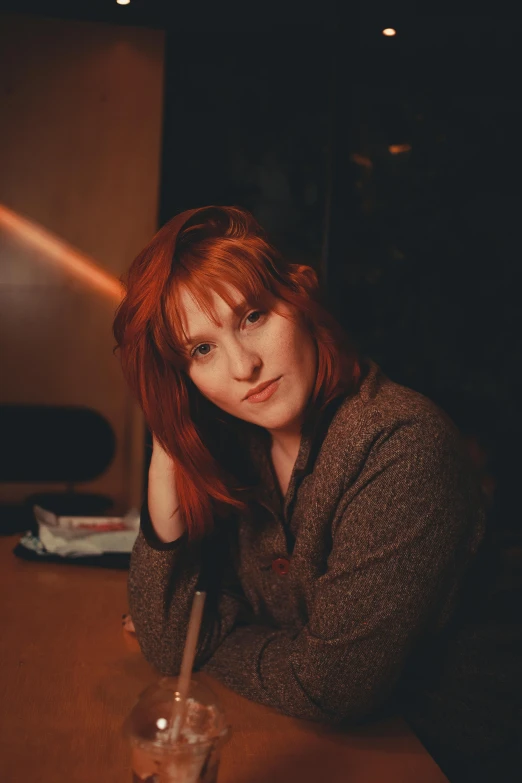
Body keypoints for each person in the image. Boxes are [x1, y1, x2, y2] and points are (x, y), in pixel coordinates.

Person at [113, 206, 520, 782]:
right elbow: (164, 640)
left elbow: (330, 687)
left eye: (252, 316)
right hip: (334, 743)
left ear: (299, 297)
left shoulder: (400, 444)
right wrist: (165, 465)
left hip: (446, 755)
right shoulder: (243, 447)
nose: (243, 365)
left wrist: (205, 641)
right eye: (201, 351)